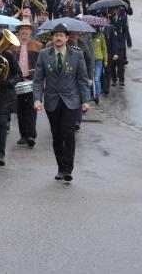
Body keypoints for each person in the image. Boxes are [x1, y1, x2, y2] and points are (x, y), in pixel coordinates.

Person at [32, 23, 91, 183]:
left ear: (67, 38)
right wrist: (37, 99)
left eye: (61, 35)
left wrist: (86, 101)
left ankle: (68, 169)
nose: (58, 38)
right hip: (52, 101)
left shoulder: (76, 55)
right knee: (57, 135)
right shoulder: (44, 54)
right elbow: (37, 80)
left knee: (68, 134)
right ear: (52, 38)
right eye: (56, 35)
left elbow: (82, 80)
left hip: (71, 101)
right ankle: (60, 168)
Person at [0, 30, 22, 166]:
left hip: (4, 95)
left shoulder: (8, 55)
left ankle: (1, 152)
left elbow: (18, 74)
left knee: (1, 124)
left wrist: (8, 82)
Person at [12, 21, 41, 147]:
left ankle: (31, 135)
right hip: (17, 80)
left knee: (31, 108)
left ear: (31, 31)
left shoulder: (38, 45)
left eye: (27, 29)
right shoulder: (13, 46)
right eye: (22, 29)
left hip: (31, 80)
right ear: (18, 32)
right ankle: (23, 135)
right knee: (19, 109)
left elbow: (41, 65)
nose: (24, 31)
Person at [90, 25, 108, 104]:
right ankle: (91, 94)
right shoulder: (88, 35)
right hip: (90, 60)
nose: (94, 28)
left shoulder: (101, 35)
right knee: (90, 78)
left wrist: (105, 60)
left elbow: (104, 48)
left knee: (97, 78)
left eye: (95, 26)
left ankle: (97, 95)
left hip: (98, 59)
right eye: (92, 26)